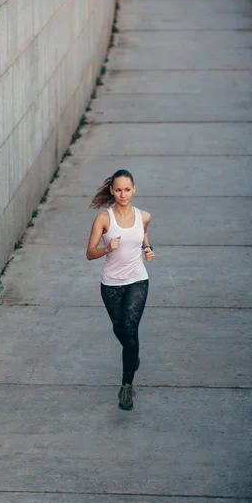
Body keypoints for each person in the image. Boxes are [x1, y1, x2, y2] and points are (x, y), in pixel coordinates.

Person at [86, 169, 155, 411]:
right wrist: (107, 249)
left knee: (130, 330)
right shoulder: (104, 220)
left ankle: (126, 387)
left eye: (127, 189)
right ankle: (132, 352)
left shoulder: (143, 216)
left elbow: (143, 235)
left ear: (134, 189)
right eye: (118, 190)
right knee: (120, 330)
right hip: (111, 284)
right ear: (112, 191)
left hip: (137, 280)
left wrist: (148, 250)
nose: (123, 194)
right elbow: (89, 253)